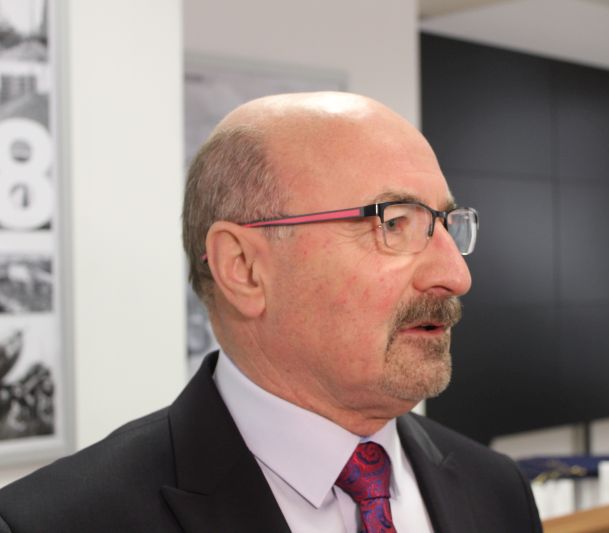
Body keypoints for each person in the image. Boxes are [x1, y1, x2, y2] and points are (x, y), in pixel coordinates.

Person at [0, 92, 543, 532]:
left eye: (446, 225)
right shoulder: (55, 521)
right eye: (395, 223)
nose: (456, 276)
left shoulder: (497, 489)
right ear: (243, 267)